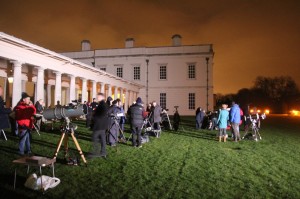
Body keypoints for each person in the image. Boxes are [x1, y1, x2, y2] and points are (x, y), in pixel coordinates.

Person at [89, 93, 109, 159]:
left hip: (99, 125)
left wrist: (95, 117)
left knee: (95, 138)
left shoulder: (103, 104)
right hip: (102, 125)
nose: (97, 98)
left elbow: (102, 114)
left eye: (98, 97)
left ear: (102, 97)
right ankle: (103, 152)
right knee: (102, 139)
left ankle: (96, 153)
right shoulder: (102, 104)